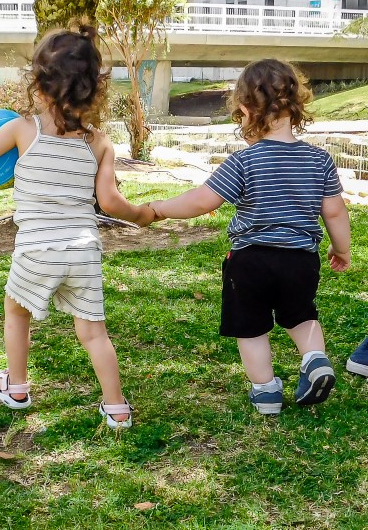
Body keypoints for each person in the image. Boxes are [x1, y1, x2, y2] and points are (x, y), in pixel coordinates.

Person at [0, 25, 155, 428]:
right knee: (93, 331)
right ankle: (117, 407)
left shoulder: (24, 129)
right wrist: (143, 214)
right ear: (94, 91)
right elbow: (109, 202)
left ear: (38, 85)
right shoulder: (98, 142)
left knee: (16, 310)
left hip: (36, 249)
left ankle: (17, 386)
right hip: (83, 249)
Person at [148, 59, 351, 415]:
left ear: (245, 110)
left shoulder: (245, 161)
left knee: (252, 328)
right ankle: (315, 359)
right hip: (301, 260)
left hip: (251, 260)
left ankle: (267, 392)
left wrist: (160, 208)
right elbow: (334, 211)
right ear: (296, 106)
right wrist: (341, 248)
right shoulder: (319, 160)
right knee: (301, 315)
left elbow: (201, 201)